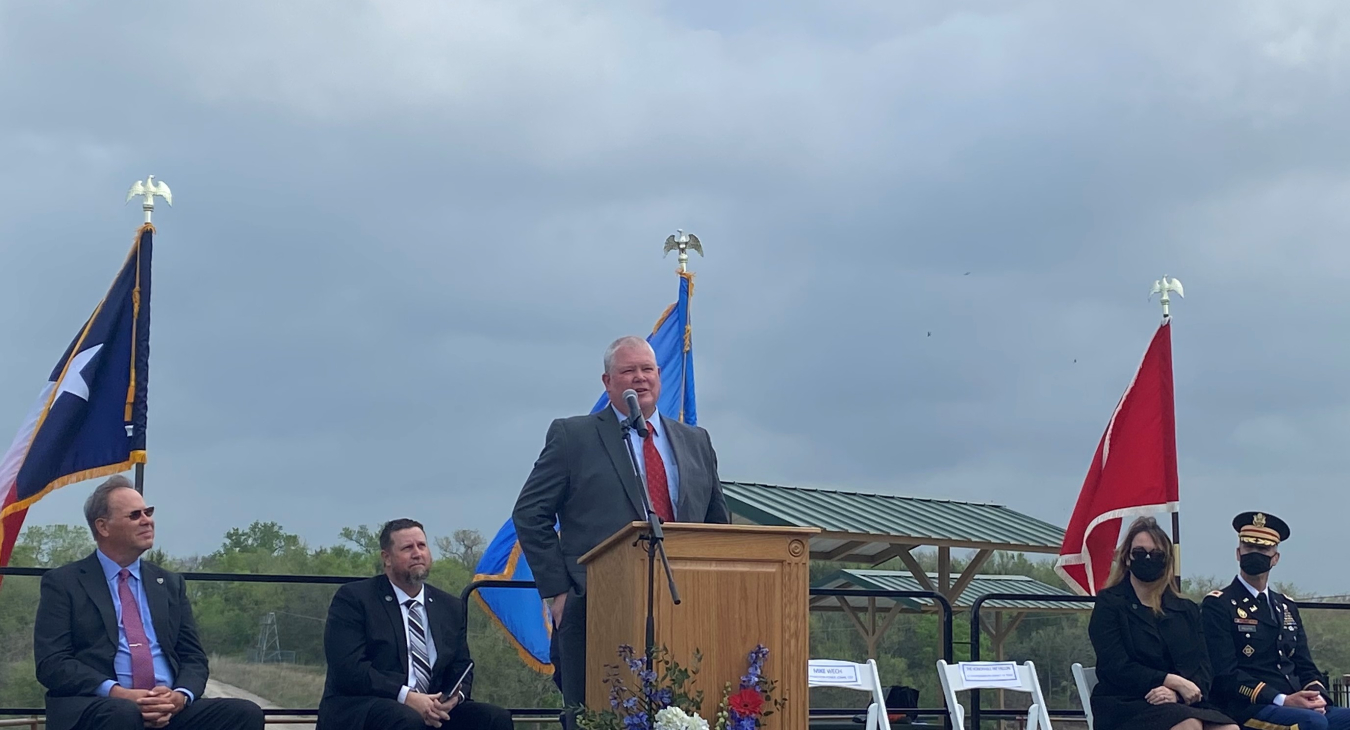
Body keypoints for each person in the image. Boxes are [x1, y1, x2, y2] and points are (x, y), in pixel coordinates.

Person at [512, 335, 730, 712]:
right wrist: (559, 593)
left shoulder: (696, 441)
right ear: (607, 382)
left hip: (687, 605)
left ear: (659, 377)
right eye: (628, 371)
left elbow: (717, 522)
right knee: (597, 713)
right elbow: (530, 513)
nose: (640, 378)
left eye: (647, 370)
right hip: (597, 605)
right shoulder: (574, 437)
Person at [32, 475, 264, 730]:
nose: (147, 521)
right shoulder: (64, 582)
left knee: (245, 713)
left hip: (168, 710)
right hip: (101, 705)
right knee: (122, 714)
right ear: (103, 527)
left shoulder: (169, 584)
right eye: (135, 515)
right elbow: (52, 664)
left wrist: (180, 697)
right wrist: (119, 692)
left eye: (148, 512)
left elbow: (193, 657)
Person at [318, 518, 511, 730]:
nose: (417, 553)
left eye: (422, 545)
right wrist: (407, 697)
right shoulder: (354, 599)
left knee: (494, 719)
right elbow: (349, 669)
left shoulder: (450, 606)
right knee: (407, 720)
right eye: (407, 548)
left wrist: (454, 698)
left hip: (432, 707)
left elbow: (462, 666)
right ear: (387, 558)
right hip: (367, 705)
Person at [1201, 512, 1350, 730]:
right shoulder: (1220, 604)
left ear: (1275, 558)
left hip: (1295, 703)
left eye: (1263, 549)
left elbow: (1305, 665)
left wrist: (1318, 697)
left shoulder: (1286, 606)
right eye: (1249, 547)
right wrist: (1283, 700)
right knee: (1312, 723)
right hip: (1249, 707)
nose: (1255, 553)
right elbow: (1225, 675)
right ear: (1238, 553)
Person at [1088, 516, 1237, 730]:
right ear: (1127, 558)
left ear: (1166, 560)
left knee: (1228, 728)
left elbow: (1203, 667)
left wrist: (1177, 693)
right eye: (1140, 553)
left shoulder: (1186, 609)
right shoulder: (1110, 604)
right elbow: (1115, 666)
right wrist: (1171, 681)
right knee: (1189, 725)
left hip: (1179, 702)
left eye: (1156, 554)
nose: (1148, 558)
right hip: (1126, 703)